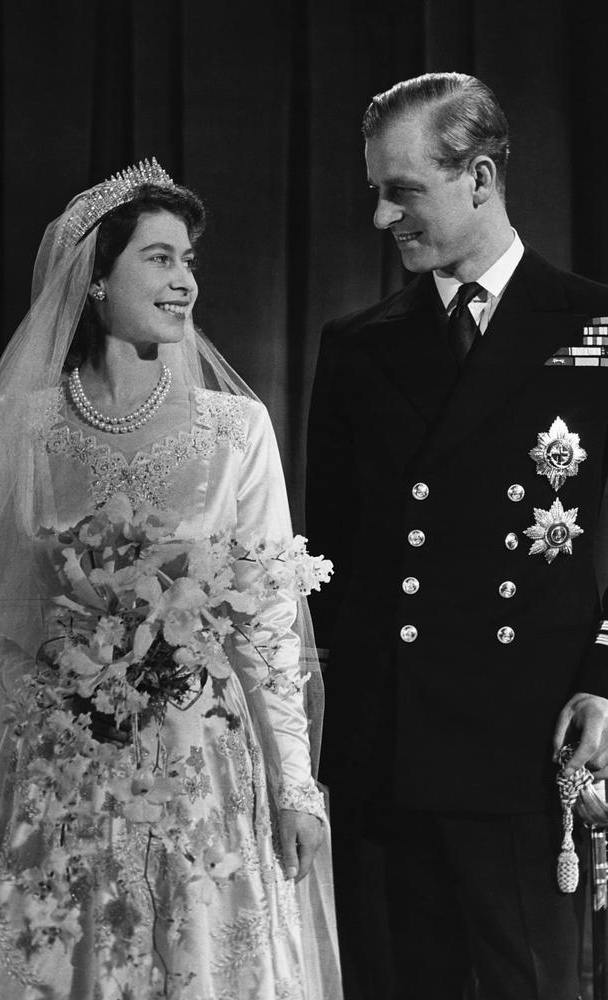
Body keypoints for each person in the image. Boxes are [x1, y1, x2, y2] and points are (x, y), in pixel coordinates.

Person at [0, 160, 341, 1000]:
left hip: (199, 768)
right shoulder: (25, 430)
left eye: (190, 261)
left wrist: (295, 788)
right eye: (160, 259)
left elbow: (270, 621)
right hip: (64, 774)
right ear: (94, 280)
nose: (186, 283)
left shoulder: (236, 430)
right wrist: (39, 693)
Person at [306, 71, 608, 1000]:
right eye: (375, 192)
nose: (381, 217)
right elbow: (332, 562)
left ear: (480, 177)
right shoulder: (358, 346)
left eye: (403, 191)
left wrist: (607, 678)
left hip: (524, 739)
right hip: (385, 749)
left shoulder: (595, 326)